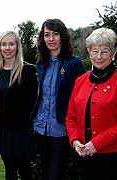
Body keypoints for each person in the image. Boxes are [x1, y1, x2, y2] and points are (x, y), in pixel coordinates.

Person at [65, 28, 117, 180]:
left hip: (116, 157)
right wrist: (75, 141)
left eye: (104, 52)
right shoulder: (80, 81)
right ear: (88, 51)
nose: (98, 57)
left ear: (114, 53)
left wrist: (96, 144)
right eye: (94, 51)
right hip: (85, 155)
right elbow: (71, 117)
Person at [31, 19, 85, 180]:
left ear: (62, 37)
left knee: (55, 175)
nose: (51, 39)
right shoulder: (41, 63)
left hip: (61, 129)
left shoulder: (74, 64)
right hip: (40, 127)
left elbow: (80, 97)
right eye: (47, 35)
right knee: (43, 172)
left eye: (55, 34)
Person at [0, 31, 38, 180]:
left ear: (17, 46)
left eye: (11, 44)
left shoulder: (28, 70)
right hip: (4, 128)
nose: (7, 48)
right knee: (9, 171)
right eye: (4, 44)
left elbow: (33, 102)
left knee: (25, 171)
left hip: (22, 129)